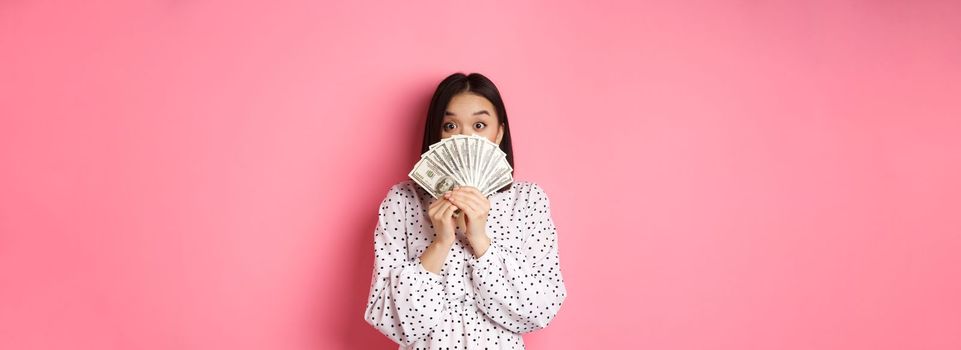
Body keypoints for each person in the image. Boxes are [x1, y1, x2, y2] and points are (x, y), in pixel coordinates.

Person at [363, 72, 567, 349]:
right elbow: (392, 321)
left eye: (480, 124)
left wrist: (481, 240)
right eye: (450, 125)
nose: (464, 137)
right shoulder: (403, 201)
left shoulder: (528, 201)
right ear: (436, 132)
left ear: (499, 133)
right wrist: (440, 242)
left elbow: (540, 310)